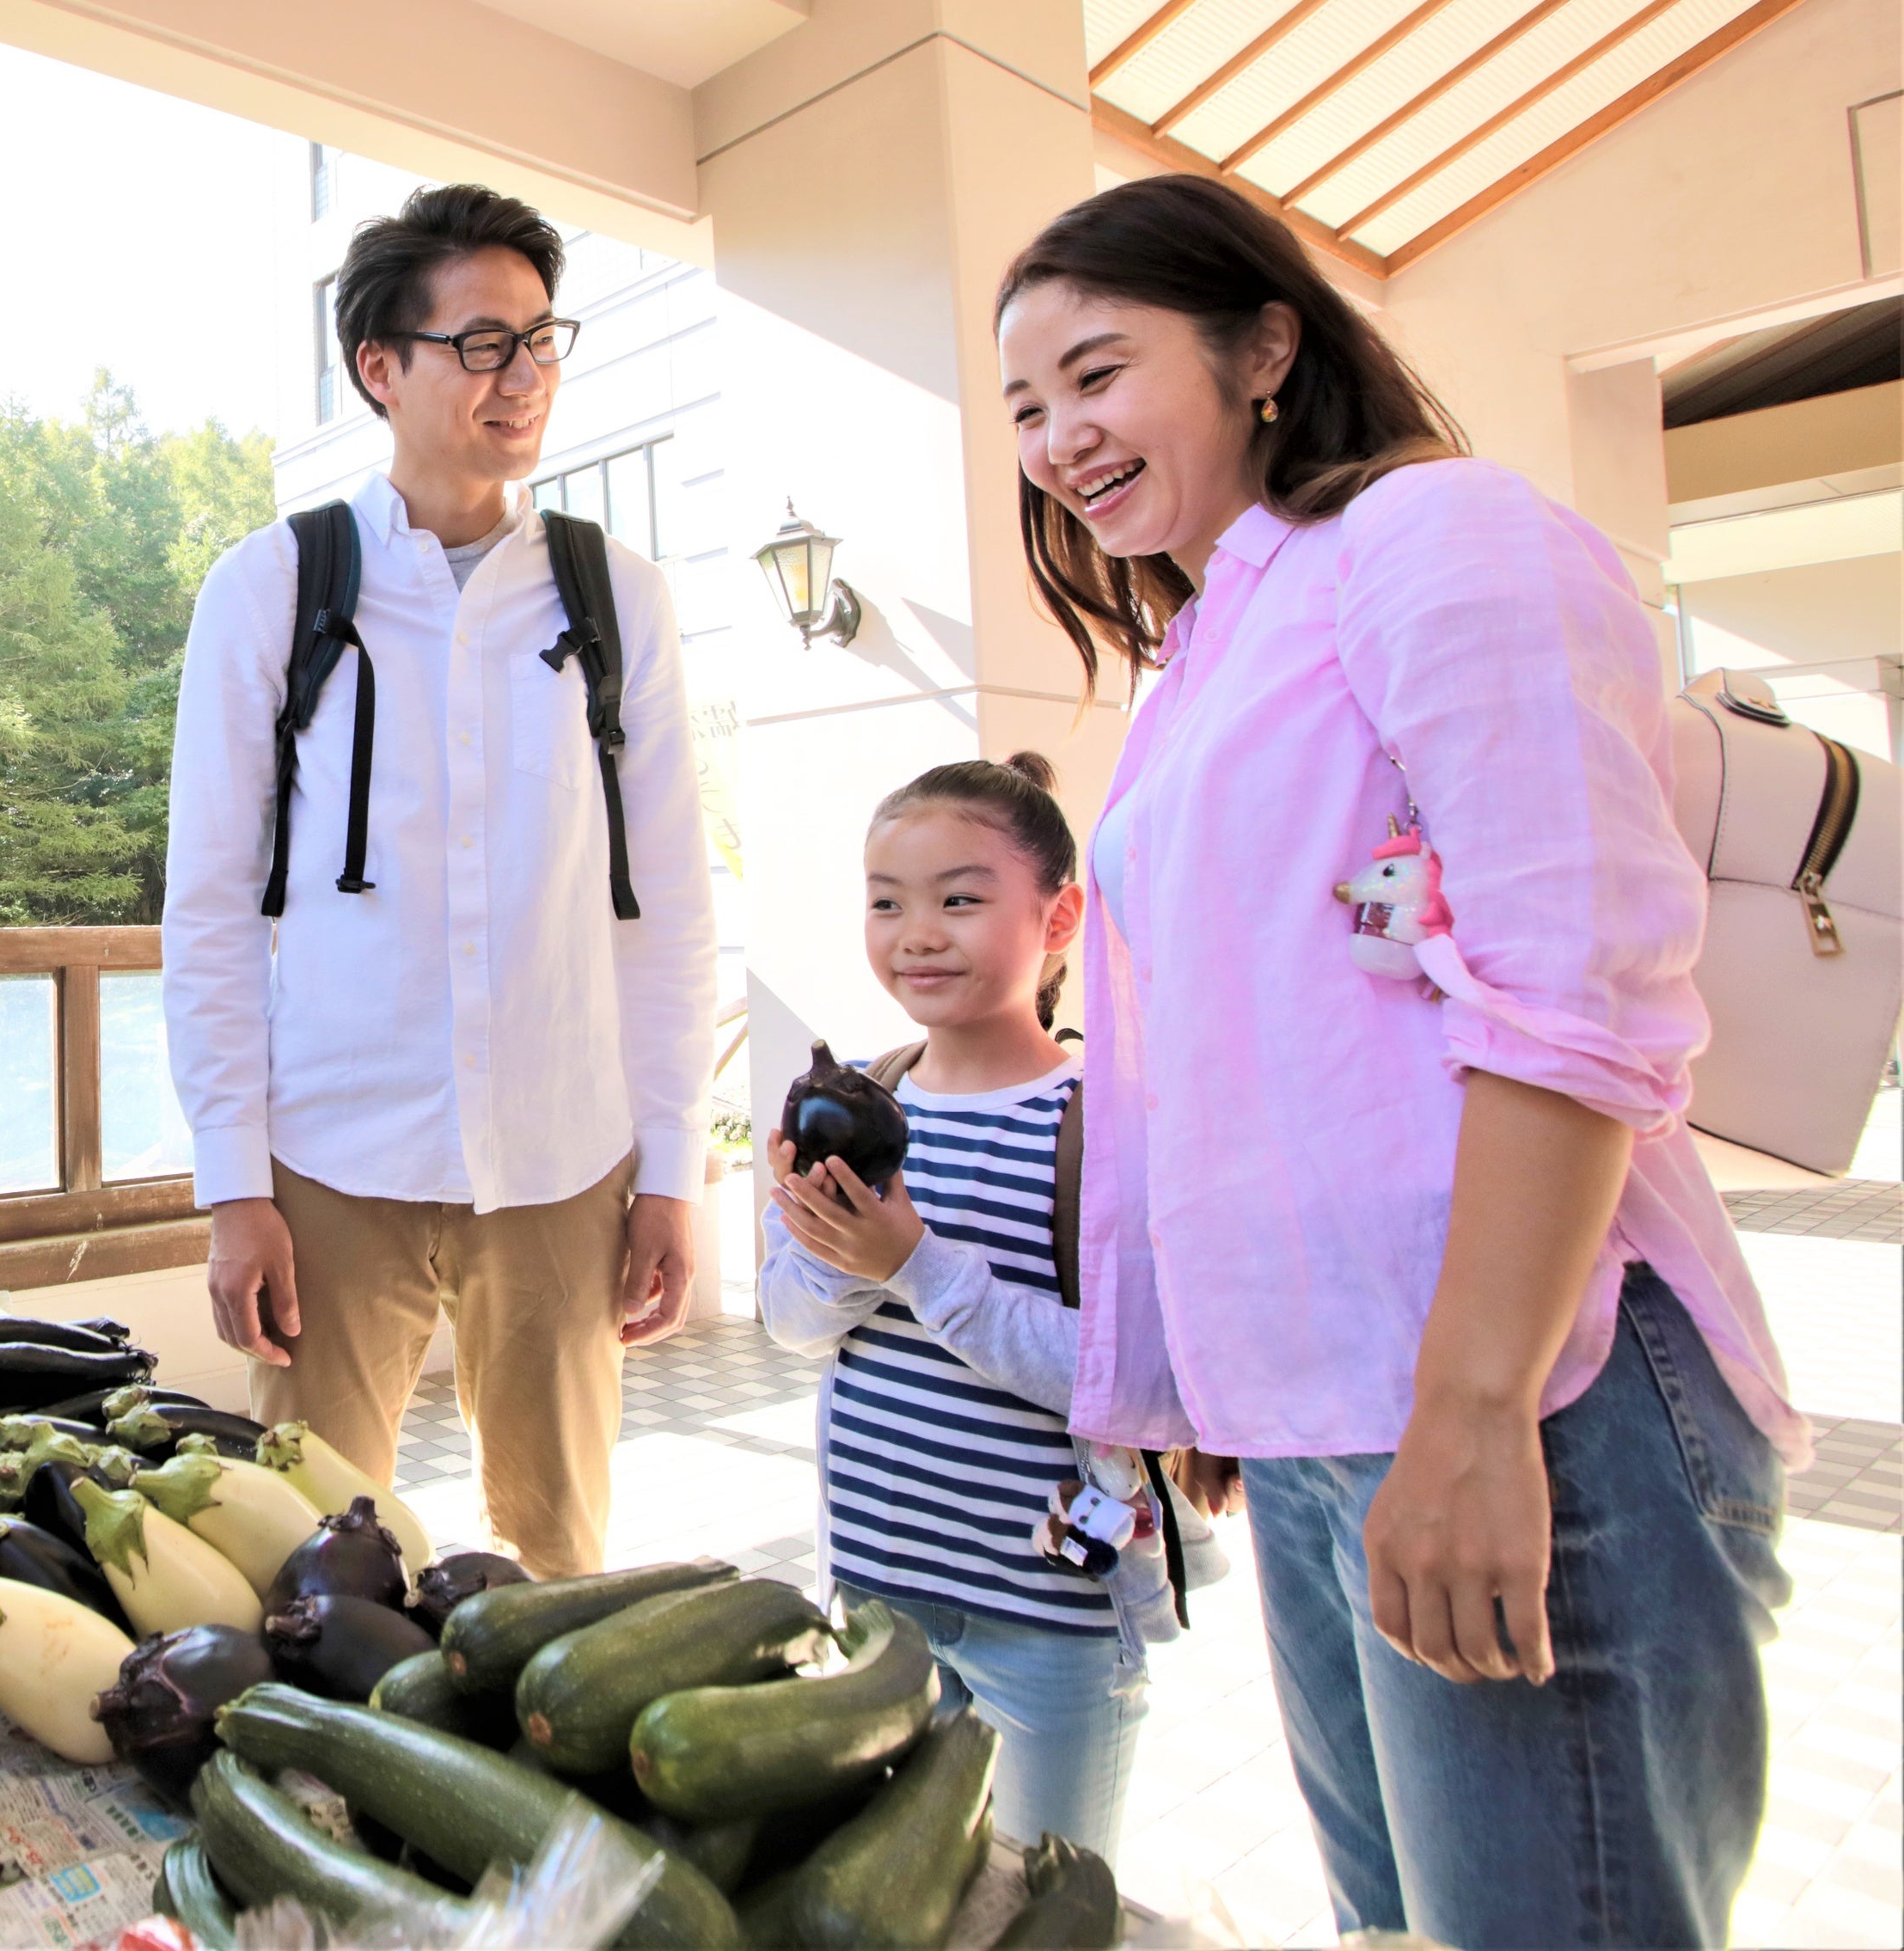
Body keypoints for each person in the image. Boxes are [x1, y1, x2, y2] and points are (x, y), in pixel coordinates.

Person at [997, 174, 1804, 1947]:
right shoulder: (1202, 646)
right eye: (1027, 408)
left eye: (1099, 373)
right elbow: (1231, 1049)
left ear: (1265, 346)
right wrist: (1214, 1382)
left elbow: (1575, 987)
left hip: (1529, 1394)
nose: (1059, 438)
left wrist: (1469, 1413)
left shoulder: (1437, 540)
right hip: (1325, 1417)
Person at [162, 183, 715, 1578]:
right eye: (481, 343)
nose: (522, 376)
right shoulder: (273, 589)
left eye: (540, 340)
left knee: (559, 1567)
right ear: (380, 368)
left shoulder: (616, 601)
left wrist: (673, 1167)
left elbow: (666, 912)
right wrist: (234, 1183)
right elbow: (213, 906)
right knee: (302, 1558)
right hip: (331, 1158)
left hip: (562, 1153)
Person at [759, 753, 1160, 1862]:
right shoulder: (854, 1104)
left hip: (1052, 1620)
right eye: (886, 902)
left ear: (1061, 915)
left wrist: (917, 1262)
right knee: (893, 1901)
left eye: (961, 899)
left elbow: (1132, 1383)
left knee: (1043, 1902)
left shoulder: (1105, 1122)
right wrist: (850, 1252)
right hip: (874, 1600)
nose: (916, 933)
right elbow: (790, 1323)